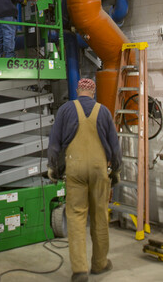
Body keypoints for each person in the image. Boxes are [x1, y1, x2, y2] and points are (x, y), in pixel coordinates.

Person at [47, 78, 121, 282]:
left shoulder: (65, 110)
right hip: (99, 169)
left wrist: (52, 167)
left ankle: (80, 270)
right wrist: (116, 170)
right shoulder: (103, 111)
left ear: (78, 92)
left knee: (76, 217)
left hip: (75, 168)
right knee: (100, 216)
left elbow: (54, 142)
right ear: (93, 92)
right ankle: (99, 263)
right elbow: (115, 146)